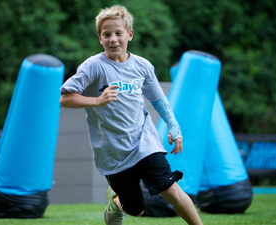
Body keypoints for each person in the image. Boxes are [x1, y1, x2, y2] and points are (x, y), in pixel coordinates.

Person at [59, 5, 203, 225]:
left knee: (170, 189)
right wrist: (97, 101)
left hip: (145, 143)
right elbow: (65, 98)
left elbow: (158, 100)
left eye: (118, 33)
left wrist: (174, 127)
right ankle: (115, 203)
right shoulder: (93, 67)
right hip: (112, 151)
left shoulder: (142, 66)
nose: (113, 39)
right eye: (107, 35)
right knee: (135, 210)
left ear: (130, 35)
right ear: (100, 38)